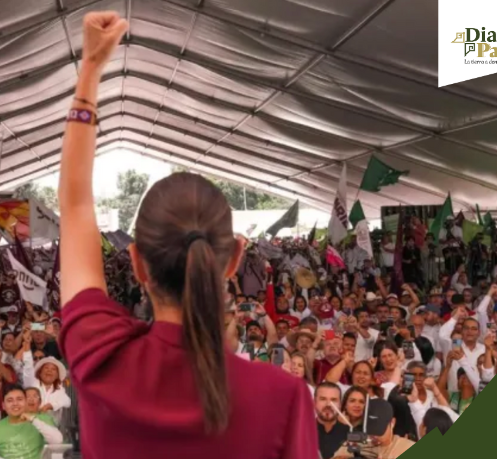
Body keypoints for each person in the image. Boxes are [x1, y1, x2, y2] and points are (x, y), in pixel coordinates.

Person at [57, 11, 314, 458]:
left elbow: (75, 205)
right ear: (234, 259)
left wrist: (91, 71)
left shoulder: (100, 356)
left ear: (137, 262)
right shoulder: (283, 396)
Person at [0, 386, 62, 459]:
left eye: (19, 399)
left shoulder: (40, 420)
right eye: (10, 400)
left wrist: (33, 420)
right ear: (3, 406)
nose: (15, 403)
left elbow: (58, 441)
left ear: (26, 402)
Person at [332, 399, 414, 459]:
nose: (373, 436)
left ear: (392, 422)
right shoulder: (356, 441)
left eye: (378, 431)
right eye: (370, 430)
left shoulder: (408, 448)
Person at [314, 383, 348, 459]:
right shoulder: (300, 432)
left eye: (334, 400)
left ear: (340, 404)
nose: (328, 404)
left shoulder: (351, 434)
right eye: (323, 399)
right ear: (314, 402)